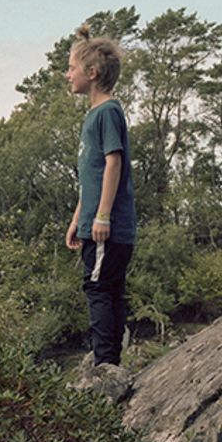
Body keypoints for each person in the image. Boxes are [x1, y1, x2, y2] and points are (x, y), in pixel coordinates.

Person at [63, 25, 136, 364]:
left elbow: (113, 163)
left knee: (99, 289)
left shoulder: (107, 112)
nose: (68, 75)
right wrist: (79, 217)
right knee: (109, 288)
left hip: (107, 226)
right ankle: (110, 360)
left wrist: (102, 215)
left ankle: (105, 363)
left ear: (91, 73)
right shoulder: (94, 115)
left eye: (72, 68)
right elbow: (91, 175)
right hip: (93, 223)